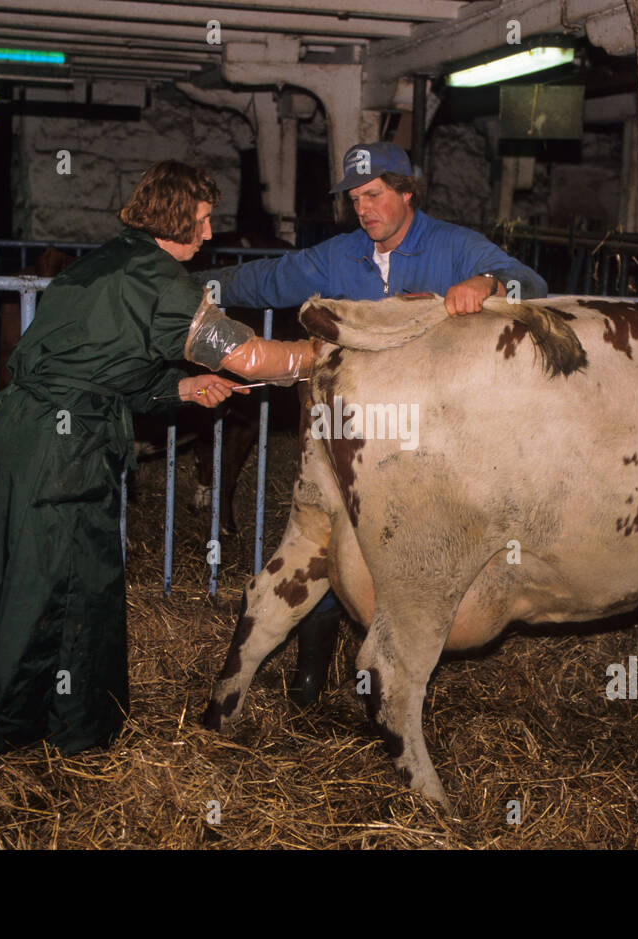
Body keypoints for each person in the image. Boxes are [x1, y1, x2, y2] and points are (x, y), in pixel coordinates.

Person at [0, 161, 316, 766]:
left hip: (6, 435)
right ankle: (47, 727)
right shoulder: (164, 284)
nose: (210, 235)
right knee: (65, 583)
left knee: (0, 571)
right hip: (60, 453)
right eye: (205, 220)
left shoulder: (103, 261)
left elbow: (94, 368)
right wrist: (324, 353)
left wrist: (183, 391)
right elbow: (253, 357)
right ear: (178, 217)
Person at [198, 141, 548, 707]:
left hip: (433, 443)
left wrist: (488, 285)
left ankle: (397, 679)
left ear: (407, 193)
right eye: (356, 199)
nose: (364, 210)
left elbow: (529, 281)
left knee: (413, 552)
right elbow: (266, 280)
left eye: (375, 195)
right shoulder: (342, 254)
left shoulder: (454, 246)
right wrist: (194, 288)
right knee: (333, 541)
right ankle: (311, 681)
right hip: (355, 437)